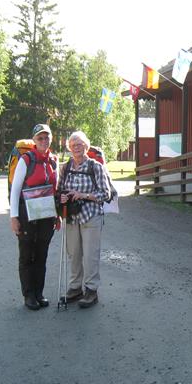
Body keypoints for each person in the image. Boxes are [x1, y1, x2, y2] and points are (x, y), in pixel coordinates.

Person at [9, 123, 59, 310]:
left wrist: (58, 215)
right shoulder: (26, 160)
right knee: (26, 255)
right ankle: (28, 295)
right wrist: (14, 217)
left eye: (47, 137)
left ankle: (39, 293)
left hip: (47, 215)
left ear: (51, 139)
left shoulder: (53, 160)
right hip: (25, 215)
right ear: (34, 140)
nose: (44, 141)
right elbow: (15, 190)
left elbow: (56, 189)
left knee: (41, 255)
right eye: (40, 138)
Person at [59, 131, 111, 308]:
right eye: (73, 145)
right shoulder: (65, 167)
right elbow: (59, 190)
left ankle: (91, 290)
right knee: (73, 254)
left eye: (80, 144)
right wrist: (62, 197)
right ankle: (75, 288)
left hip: (91, 216)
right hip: (71, 217)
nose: (76, 148)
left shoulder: (95, 166)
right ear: (69, 148)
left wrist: (83, 195)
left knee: (90, 256)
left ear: (86, 146)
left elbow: (106, 194)